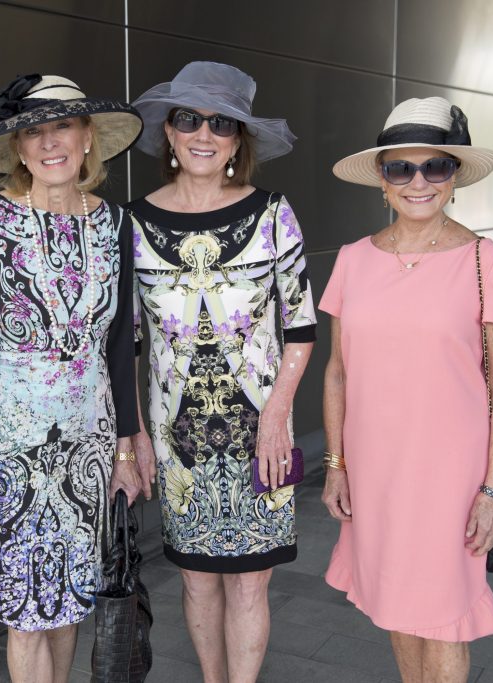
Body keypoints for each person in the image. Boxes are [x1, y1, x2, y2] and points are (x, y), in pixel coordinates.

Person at [320, 97, 493, 683]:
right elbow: (337, 371)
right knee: (395, 605)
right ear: (382, 181)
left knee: (444, 616)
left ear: (454, 177)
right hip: (376, 468)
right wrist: (336, 463)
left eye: (435, 166)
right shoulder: (354, 260)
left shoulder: (490, 261)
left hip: (450, 474)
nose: (418, 182)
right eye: (400, 168)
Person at [128, 62, 317, 682]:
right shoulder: (133, 224)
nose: (203, 133)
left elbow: (301, 326)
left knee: (250, 584)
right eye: (189, 119)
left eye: (222, 122)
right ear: (169, 132)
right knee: (195, 576)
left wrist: (278, 415)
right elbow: (124, 343)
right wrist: (135, 437)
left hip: (263, 430)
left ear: (240, 139)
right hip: (177, 434)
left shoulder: (271, 213)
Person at [0, 74, 144, 683]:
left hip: (89, 451)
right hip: (15, 449)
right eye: (32, 132)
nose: (49, 143)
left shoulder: (117, 224)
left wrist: (123, 452)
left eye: (62, 125)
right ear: (17, 148)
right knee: (26, 614)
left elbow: (120, 347)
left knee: (68, 607)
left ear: (88, 137)